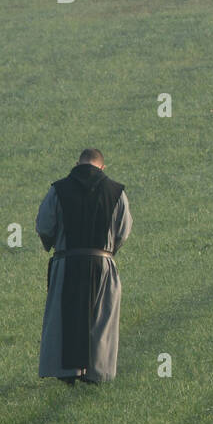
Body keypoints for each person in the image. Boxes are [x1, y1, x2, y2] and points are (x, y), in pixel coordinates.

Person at [35, 149, 132, 385]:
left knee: (64, 316)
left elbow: (44, 226)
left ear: (77, 163)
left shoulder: (58, 189)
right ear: (103, 167)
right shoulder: (117, 192)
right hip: (102, 262)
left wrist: (54, 244)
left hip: (67, 261)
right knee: (101, 319)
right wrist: (109, 252)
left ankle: (66, 372)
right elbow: (123, 230)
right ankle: (96, 373)